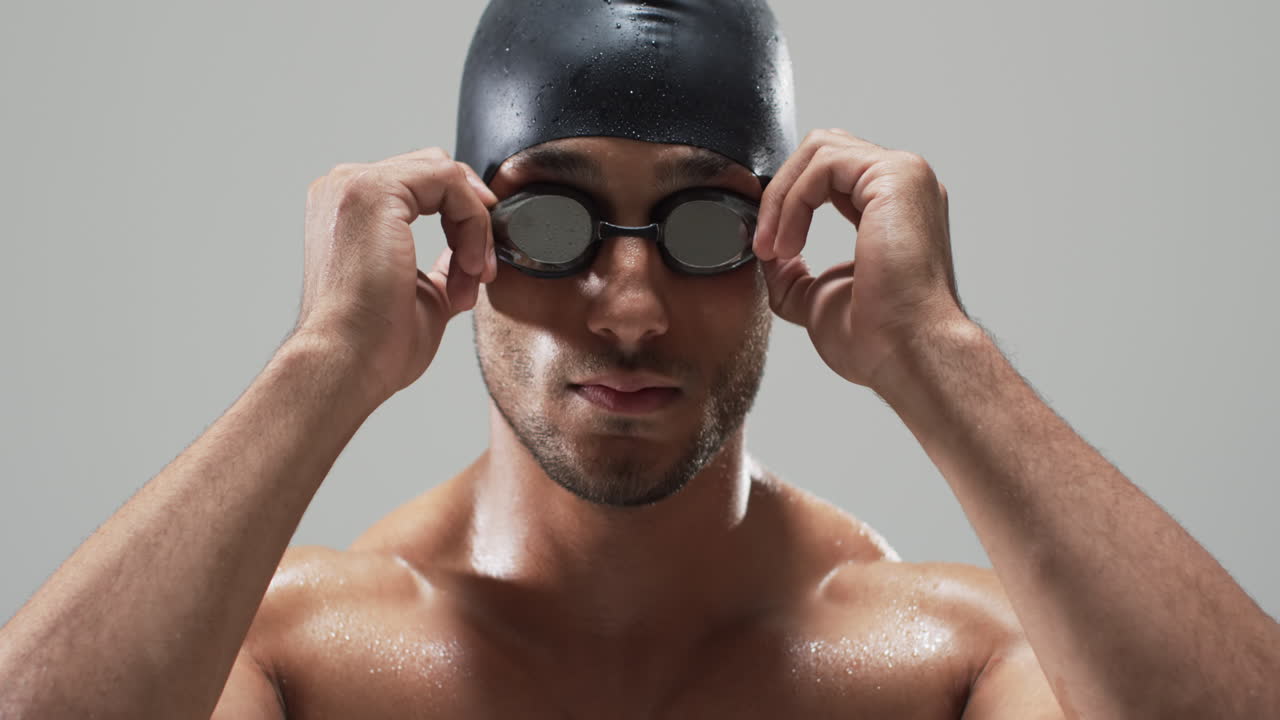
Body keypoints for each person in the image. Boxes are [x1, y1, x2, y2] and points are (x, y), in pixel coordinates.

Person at [2, 1, 1276, 718]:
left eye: (705, 224)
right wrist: (321, 362)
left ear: (784, 236)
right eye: (550, 221)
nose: (627, 309)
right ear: (464, 231)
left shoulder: (942, 664)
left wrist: (940, 353)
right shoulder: (297, 657)